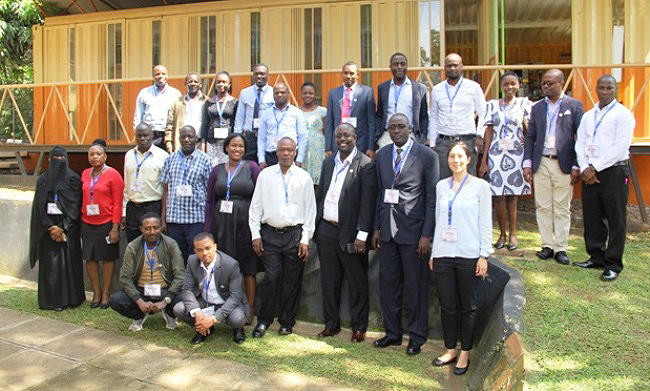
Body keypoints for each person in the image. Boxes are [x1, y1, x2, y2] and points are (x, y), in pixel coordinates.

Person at [372, 113, 439, 355]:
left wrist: (426, 235)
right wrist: (377, 227)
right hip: (388, 232)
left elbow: (432, 198)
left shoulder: (427, 156)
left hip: (414, 234)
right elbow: (381, 193)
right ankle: (392, 333)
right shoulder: (382, 155)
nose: (396, 131)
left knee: (415, 287)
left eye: (401, 126)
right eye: (392, 127)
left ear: (410, 128)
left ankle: (417, 336)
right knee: (389, 286)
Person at [430, 141, 492, 376]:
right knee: (447, 306)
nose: (456, 161)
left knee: (468, 306)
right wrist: (435, 251)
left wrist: (483, 255)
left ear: (469, 160)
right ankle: (450, 349)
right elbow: (438, 219)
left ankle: (465, 351)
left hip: (468, 254)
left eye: (460, 157)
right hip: (444, 254)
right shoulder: (441, 187)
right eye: (452, 157)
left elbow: (485, 222)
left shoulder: (480, 187)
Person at [249, 137, 316, 337]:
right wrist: (255, 235)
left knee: (292, 280)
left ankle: (287, 322)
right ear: (276, 152)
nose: (286, 153)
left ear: (295, 152)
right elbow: (255, 207)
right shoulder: (265, 175)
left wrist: (305, 239)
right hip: (270, 233)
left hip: (294, 234)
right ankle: (264, 320)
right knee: (270, 278)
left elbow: (310, 211)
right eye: (282, 150)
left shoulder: (304, 177)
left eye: (290, 150)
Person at [315, 123, 376, 342]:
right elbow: (322, 193)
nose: (343, 139)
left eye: (347, 135)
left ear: (355, 137)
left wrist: (362, 235)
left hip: (351, 234)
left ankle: (359, 327)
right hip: (326, 230)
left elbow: (368, 204)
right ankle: (331, 325)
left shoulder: (366, 165)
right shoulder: (327, 163)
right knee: (329, 281)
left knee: (357, 283)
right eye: (339, 135)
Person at [573, 75, 635, 281]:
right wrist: (585, 167)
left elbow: (620, 147)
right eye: (601, 87)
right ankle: (596, 256)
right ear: (596, 89)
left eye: (609, 87)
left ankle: (613, 263)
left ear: (615, 89)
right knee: (592, 217)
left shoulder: (623, 115)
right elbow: (580, 143)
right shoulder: (589, 116)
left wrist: (595, 168)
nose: (605, 91)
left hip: (613, 171)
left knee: (616, 218)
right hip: (589, 172)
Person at [523, 68, 584, 265]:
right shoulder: (538, 107)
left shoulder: (574, 106)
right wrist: (527, 163)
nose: (546, 86)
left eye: (550, 83)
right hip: (541, 162)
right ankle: (547, 245)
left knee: (561, 207)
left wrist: (577, 165)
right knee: (542, 206)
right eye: (543, 83)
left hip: (563, 163)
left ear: (561, 83)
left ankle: (561, 248)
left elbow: (580, 138)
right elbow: (530, 136)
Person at [204, 133, 260, 322]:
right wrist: (208, 229)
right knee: (223, 267)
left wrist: (257, 227)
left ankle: (250, 309)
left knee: (248, 267)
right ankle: (223, 307)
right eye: (234, 146)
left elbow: (259, 197)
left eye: (241, 146)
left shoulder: (251, 167)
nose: (237, 149)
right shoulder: (217, 170)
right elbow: (210, 201)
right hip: (221, 225)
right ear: (226, 147)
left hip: (245, 224)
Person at [478, 72, 532, 250]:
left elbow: (530, 129)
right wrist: (484, 159)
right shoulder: (492, 105)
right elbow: (489, 132)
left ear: (518, 85)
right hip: (496, 154)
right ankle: (502, 234)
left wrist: (527, 137)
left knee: (513, 197)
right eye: (506, 84)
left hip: (516, 155)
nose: (509, 87)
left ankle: (514, 234)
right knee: (498, 196)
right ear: (501, 86)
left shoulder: (525, 104)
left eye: (513, 84)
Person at [29, 146, 85, 311]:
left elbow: (75, 206)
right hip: (48, 232)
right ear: (49, 160)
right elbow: (39, 206)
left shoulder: (73, 179)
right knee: (51, 267)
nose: (58, 162)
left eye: (61, 158)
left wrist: (62, 228)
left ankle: (72, 299)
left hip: (68, 231)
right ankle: (52, 301)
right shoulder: (43, 180)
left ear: (66, 159)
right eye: (55, 158)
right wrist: (51, 227)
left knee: (69, 264)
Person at [109, 212, 184, 331]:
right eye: (147, 229)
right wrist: (139, 302)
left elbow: (180, 276)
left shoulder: (171, 245)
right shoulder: (133, 247)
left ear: (161, 228)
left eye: (155, 228)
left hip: (164, 290)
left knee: (185, 299)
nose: (152, 232)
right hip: (141, 290)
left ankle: (169, 314)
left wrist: (165, 301)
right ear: (141, 229)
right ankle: (139, 315)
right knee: (115, 300)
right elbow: (124, 278)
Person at [173, 232, 248, 344]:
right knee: (178, 309)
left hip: (226, 301)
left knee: (237, 319)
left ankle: (238, 329)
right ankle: (204, 329)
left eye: (208, 248)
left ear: (215, 247)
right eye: (199, 250)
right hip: (205, 301)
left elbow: (235, 297)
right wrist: (197, 314)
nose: (204, 253)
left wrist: (213, 318)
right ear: (195, 251)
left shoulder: (231, 264)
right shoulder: (192, 261)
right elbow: (187, 289)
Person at [81, 139, 124, 309]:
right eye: (91, 154)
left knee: (107, 258)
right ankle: (96, 292)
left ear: (105, 156)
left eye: (98, 154)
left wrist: (115, 228)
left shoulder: (113, 174)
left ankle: (106, 292)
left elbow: (117, 203)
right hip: (87, 222)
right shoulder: (85, 173)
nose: (94, 157)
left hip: (106, 223)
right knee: (90, 258)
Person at [429, 53, 486, 178]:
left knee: (468, 181)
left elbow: (483, 113)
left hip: (467, 141)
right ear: (444, 68)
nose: (452, 69)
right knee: (444, 181)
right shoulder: (437, 90)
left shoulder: (473, 87)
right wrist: (432, 143)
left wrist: (480, 135)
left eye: (455, 65)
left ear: (461, 66)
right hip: (443, 143)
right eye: (449, 66)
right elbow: (433, 117)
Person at [161, 125, 213, 264]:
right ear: (179, 139)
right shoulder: (170, 159)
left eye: (190, 136)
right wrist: (163, 218)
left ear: (196, 138)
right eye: (183, 136)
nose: (186, 140)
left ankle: (194, 285)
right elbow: (165, 189)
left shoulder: (205, 160)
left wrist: (208, 221)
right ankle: (178, 285)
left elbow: (210, 191)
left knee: (196, 258)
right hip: (174, 219)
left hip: (196, 219)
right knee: (176, 258)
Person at [122, 123, 169, 242]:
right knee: (133, 246)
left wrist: (163, 217)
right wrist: (124, 212)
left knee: (153, 246)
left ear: (152, 135)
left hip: (152, 206)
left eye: (146, 135)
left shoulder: (163, 156)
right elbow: (126, 185)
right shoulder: (129, 155)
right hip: (133, 207)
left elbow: (166, 188)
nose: (143, 138)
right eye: (139, 136)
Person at [376, 52, 429, 147]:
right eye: (395, 64)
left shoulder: (418, 88)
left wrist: (423, 137)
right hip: (387, 136)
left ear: (406, 66)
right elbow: (379, 114)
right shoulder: (383, 88)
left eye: (402, 64)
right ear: (390, 67)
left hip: (410, 135)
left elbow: (424, 116)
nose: (399, 67)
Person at [325, 61, 376, 159]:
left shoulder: (367, 92)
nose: (348, 76)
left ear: (358, 75)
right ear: (342, 74)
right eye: (345, 73)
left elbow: (371, 122)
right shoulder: (333, 93)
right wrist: (328, 148)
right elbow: (329, 123)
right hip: (339, 144)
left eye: (352, 73)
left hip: (361, 144)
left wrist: (371, 147)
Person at [257, 82, 308, 168]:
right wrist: (261, 160)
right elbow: (261, 138)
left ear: (288, 93)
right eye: (276, 93)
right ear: (273, 95)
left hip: (290, 155)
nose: (279, 95)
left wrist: (299, 159)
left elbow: (302, 137)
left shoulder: (296, 112)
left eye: (282, 92)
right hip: (271, 156)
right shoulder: (266, 113)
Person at [133, 65, 182, 150]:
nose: (161, 76)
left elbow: (179, 118)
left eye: (163, 74)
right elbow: (138, 117)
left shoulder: (175, 94)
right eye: (157, 74)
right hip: (149, 136)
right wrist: (139, 135)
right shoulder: (144, 93)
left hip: (167, 136)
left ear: (167, 76)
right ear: (153, 77)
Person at [234, 63, 274, 163]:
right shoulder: (245, 93)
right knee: (249, 168)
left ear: (268, 76)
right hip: (250, 137)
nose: (259, 76)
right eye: (256, 74)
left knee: (266, 166)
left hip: (267, 137)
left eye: (262, 74)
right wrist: (236, 138)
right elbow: (239, 117)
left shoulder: (274, 93)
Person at [200, 71, 238, 166]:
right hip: (212, 144)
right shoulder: (208, 102)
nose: (221, 84)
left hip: (228, 144)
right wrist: (203, 145)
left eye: (224, 82)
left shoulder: (235, 102)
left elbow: (237, 123)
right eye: (219, 82)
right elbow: (205, 124)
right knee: (212, 170)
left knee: (226, 170)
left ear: (229, 84)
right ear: (215, 84)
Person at [165, 72, 207, 153]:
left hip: (200, 144)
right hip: (181, 144)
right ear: (185, 84)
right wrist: (169, 144)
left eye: (196, 82)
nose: (193, 84)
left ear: (200, 84)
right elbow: (170, 125)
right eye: (190, 82)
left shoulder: (207, 102)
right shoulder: (177, 103)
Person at [299, 82, 327, 186]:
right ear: (301, 94)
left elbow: (326, 131)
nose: (307, 95)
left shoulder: (323, 111)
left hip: (318, 148)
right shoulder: (296, 111)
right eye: (305, 93)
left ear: (315, 94)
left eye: (310, 93)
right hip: (302, 148)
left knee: (318, 180)